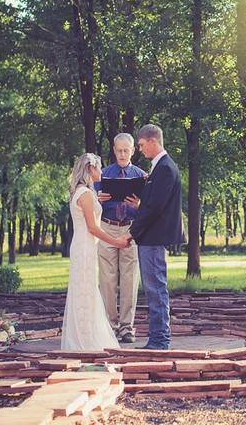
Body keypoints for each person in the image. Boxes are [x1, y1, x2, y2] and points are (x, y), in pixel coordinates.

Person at [61, 152, 131, 351]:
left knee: (86, 289)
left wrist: (96, 199)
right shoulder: (85, 194)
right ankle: (85, 338)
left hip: (84, 245)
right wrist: (116, 242)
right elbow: (92, 227)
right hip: (85, 246)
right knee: (85, 290)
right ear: (91, 169)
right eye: (99, 167)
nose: (101, 171)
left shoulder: (83, 192)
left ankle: (85, 334)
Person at [124, 124, 183, 350]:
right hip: (151, 237)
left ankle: (160, 341)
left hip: (153, 238)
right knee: (155, 288)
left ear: (152, 141)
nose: (140, 149)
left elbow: (154, 208)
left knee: (156, 289)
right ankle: (158, 339)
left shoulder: (165, 168)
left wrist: (131, 233)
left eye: (140, 145)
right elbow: (152, 203)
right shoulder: (160, 168)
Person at [95, 133, 146, 343]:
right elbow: (88, 207)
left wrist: (139, 205)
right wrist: (97, 199)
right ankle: (110, 325)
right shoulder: (102, 174)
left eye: (127, 150)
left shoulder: (143, 176)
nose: (123, 154)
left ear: (133, 151)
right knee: (107, 280)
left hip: (131, 230)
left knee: (129, 279)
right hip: (107, 228)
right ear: (114, 150)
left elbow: (151, 209)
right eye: (119, 150)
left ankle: (127, 327)